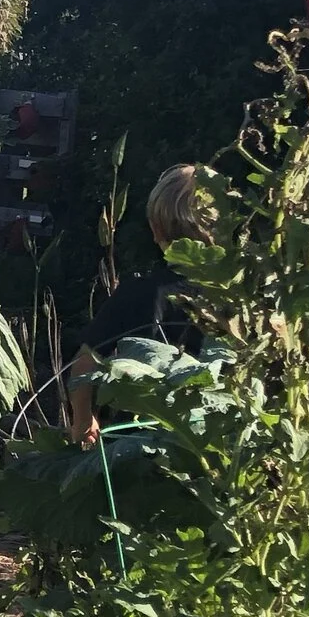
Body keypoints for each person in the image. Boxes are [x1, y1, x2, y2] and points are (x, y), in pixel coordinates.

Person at [65, 163, 213, 449]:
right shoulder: (242, 302)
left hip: (135, 450)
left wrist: (84, 421)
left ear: (156, 230)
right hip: (214, 455)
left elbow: (83, 365)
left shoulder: (137, 294)